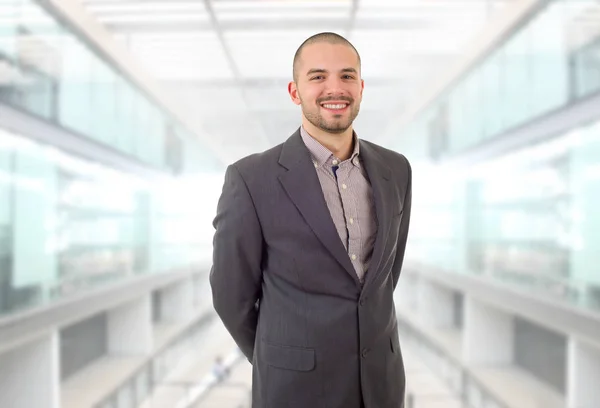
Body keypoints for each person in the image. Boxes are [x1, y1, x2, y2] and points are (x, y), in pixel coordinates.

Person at [210, 32, 412, 408]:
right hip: (294, 390)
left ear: (362, 87)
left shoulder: (396, 169)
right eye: (318, 76)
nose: (335, 88)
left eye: (347, 76)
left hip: (382, 384)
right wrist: (283, 355)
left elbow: (382, 280)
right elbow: (230, 297)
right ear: (294, 91)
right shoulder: (252, 179)